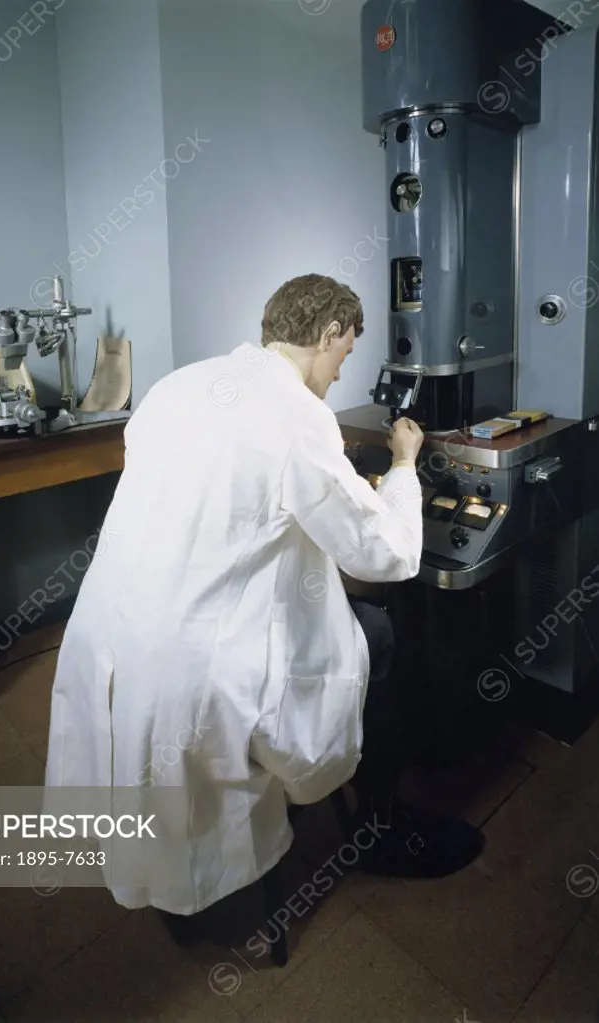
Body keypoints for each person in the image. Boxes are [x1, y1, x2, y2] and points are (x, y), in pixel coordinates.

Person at [44, 274, 484, 917]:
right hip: (196, 664)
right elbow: (383, 554)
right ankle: (381, 827)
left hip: (107, 636)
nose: (339, 376)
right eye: (345, 355)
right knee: (381, 633)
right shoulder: (296, 416)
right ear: (329, 335)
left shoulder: (178, 387)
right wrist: (402, 466)